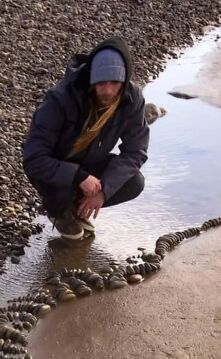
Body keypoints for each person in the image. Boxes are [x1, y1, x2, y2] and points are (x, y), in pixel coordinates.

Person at [22, 36, 149, 240]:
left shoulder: (132, 99)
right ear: (91, 79)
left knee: (134, 182)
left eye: (115, 83)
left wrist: (104, 191)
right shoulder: (59, 98)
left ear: (124, 81)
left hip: (90, 160)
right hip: (55, 165)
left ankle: (76, 209)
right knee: (61, 195)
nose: (107, 91)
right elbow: (33, 159)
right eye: (101, 83)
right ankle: (58, 211)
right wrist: (79, 177)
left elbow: (136, 151)